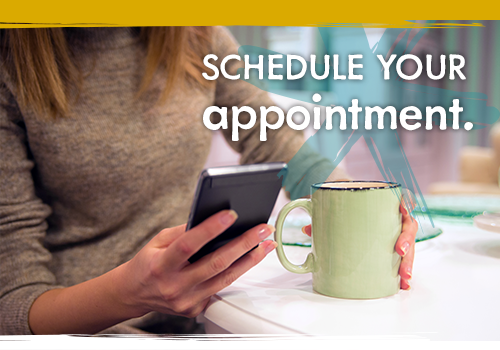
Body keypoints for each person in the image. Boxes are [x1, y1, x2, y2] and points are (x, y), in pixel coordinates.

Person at [0, 26, 417, 335]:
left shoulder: (196, 34)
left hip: (198, 316)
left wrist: (362, 203)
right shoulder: (10, 63)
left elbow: (276, 140)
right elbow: (12, 303)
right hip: (79, 329)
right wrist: (125, 296)